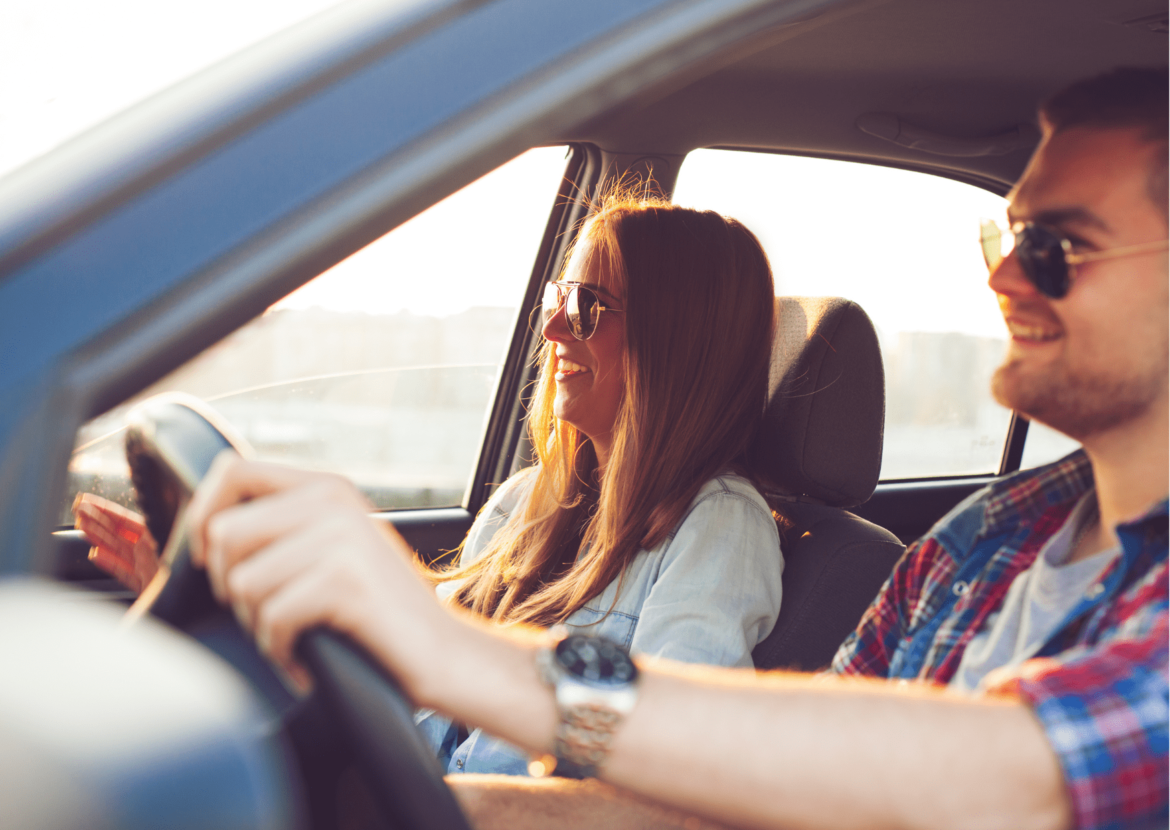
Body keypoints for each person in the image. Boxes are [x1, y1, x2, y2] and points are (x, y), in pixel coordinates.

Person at [185, 66, 1167, 830]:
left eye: (1058, 247)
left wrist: (452, 651)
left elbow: (1015, 776)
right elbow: (774, 782)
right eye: (1007, 243)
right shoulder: (980, 539)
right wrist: (440, 806)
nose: (1003, 287)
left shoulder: (730, 530)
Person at [79, 193, 786, 777]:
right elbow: (401, 689)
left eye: (587, 307)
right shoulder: (526, 503)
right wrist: (220, 613)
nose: (551, 327)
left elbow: (672, 771)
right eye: (558, 297)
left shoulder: (719, 529)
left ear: (674, 340)